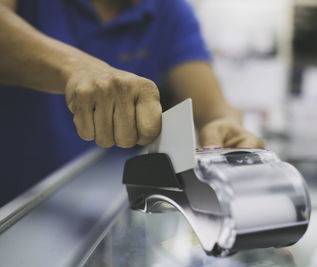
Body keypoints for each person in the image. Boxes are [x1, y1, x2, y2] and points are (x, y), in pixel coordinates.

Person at [0, 0, 264, 206]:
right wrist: (78, 69)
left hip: (110, 214)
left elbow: (213, 108)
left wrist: (225, 125)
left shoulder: (169, 11)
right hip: (15, 209)